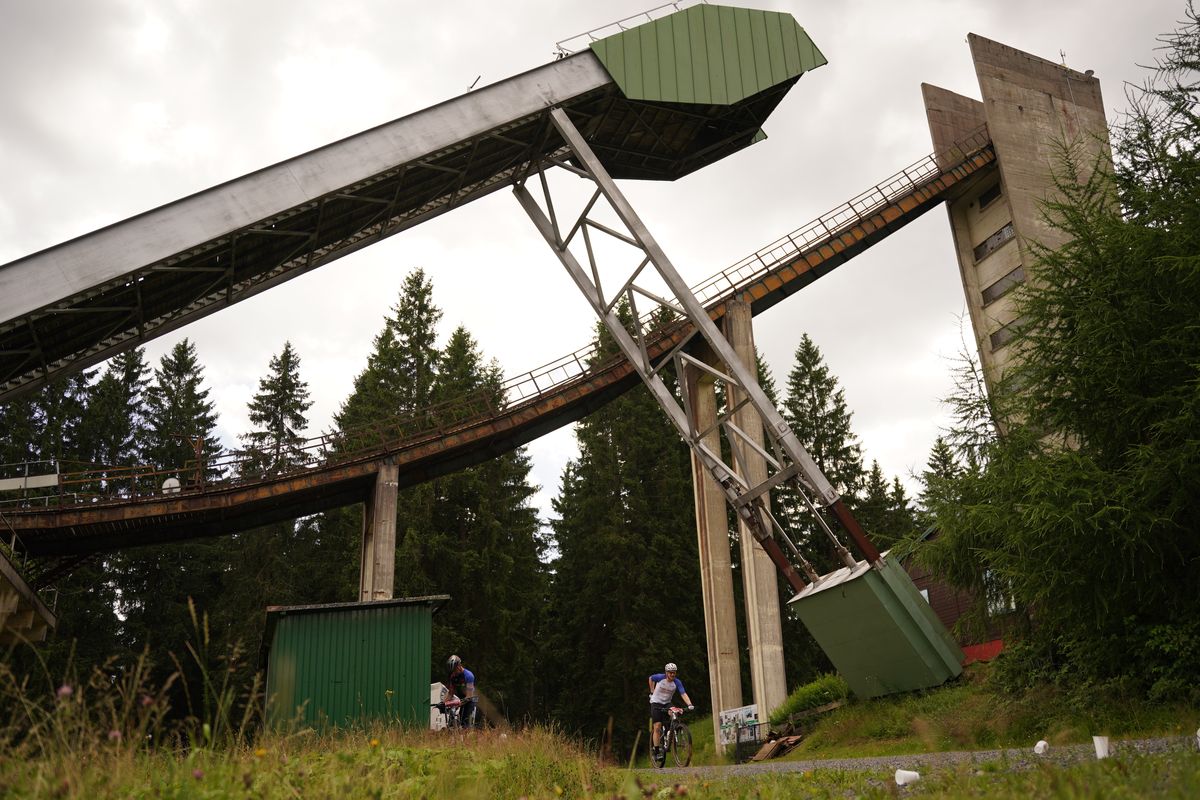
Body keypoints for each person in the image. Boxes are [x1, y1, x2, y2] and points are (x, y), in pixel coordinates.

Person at [648, 662, 693, 756]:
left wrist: (689, 704)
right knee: (657, 726)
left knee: (674, 713)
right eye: (670, 672)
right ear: (666, 672)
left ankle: (670, 732)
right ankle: (656, 751)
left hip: (667, 703)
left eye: (674, 672)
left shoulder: (677, 682)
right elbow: (650, 678)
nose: (672, 674)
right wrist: (652, 691)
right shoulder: (660, 677)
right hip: (656, 703)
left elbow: (683, 693)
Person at [441, 654, 479, 728]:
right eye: (452, 671)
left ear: (459, 666)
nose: (453, 673)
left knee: (466, 724)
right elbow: (450, 693)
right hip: (461, 699)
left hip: (470, 700)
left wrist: (454, 704)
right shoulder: (453, 676)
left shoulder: (469, 676)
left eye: (454, 670)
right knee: (454, 723)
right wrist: (443, 703)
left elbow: (469, 697)